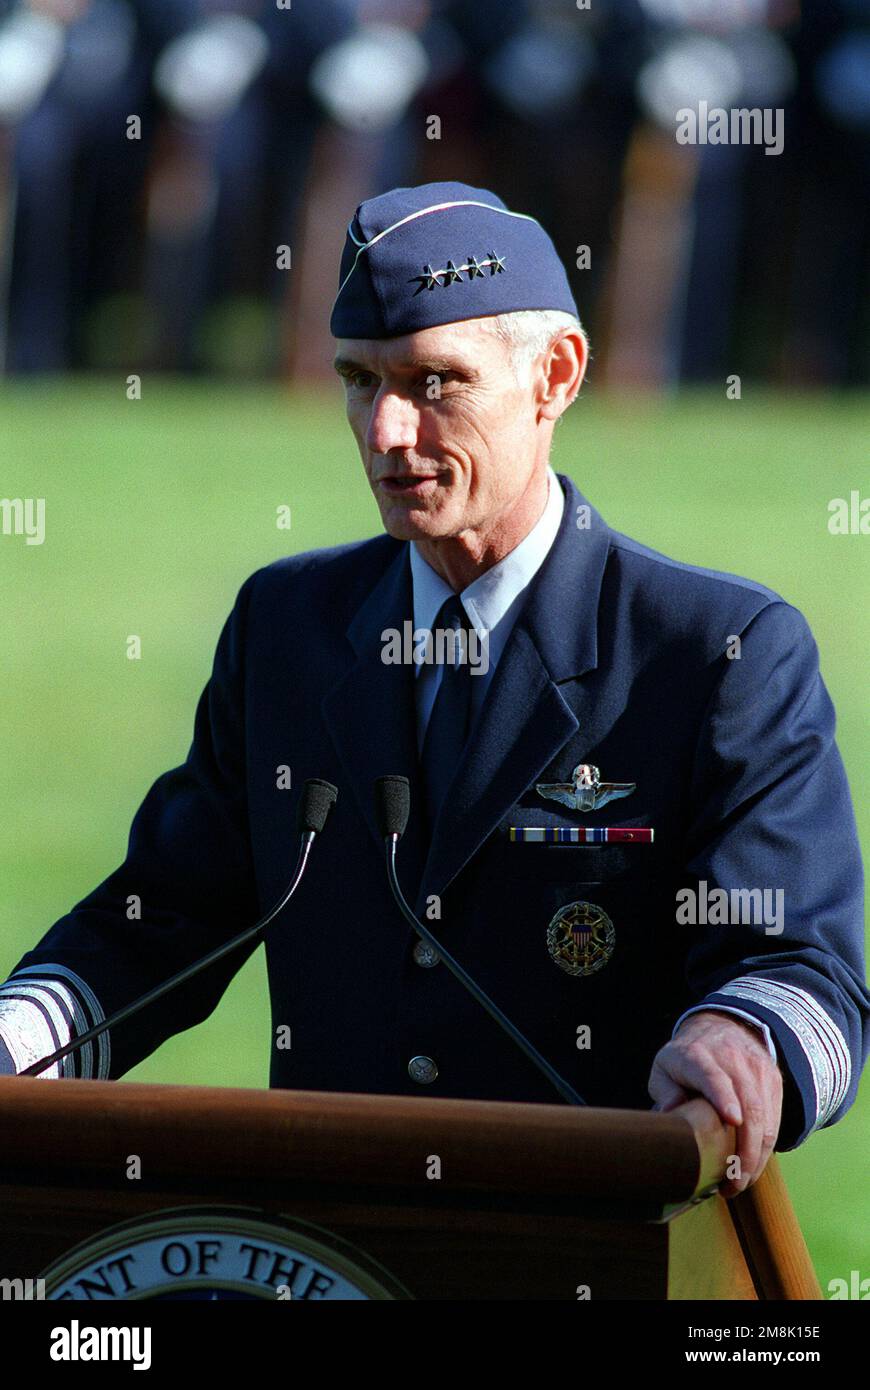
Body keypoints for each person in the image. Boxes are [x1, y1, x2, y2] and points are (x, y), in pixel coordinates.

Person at [1, 181, 866, 1202]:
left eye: (434, 382)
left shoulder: (718, 651)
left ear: (555, 375)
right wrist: (20, 1038)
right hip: (335, 1250)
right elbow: (166, 921)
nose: (385, 433)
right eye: (360, 381)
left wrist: (743, 1041)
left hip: (593, 1242)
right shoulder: (291, 628)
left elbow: (804, 971)